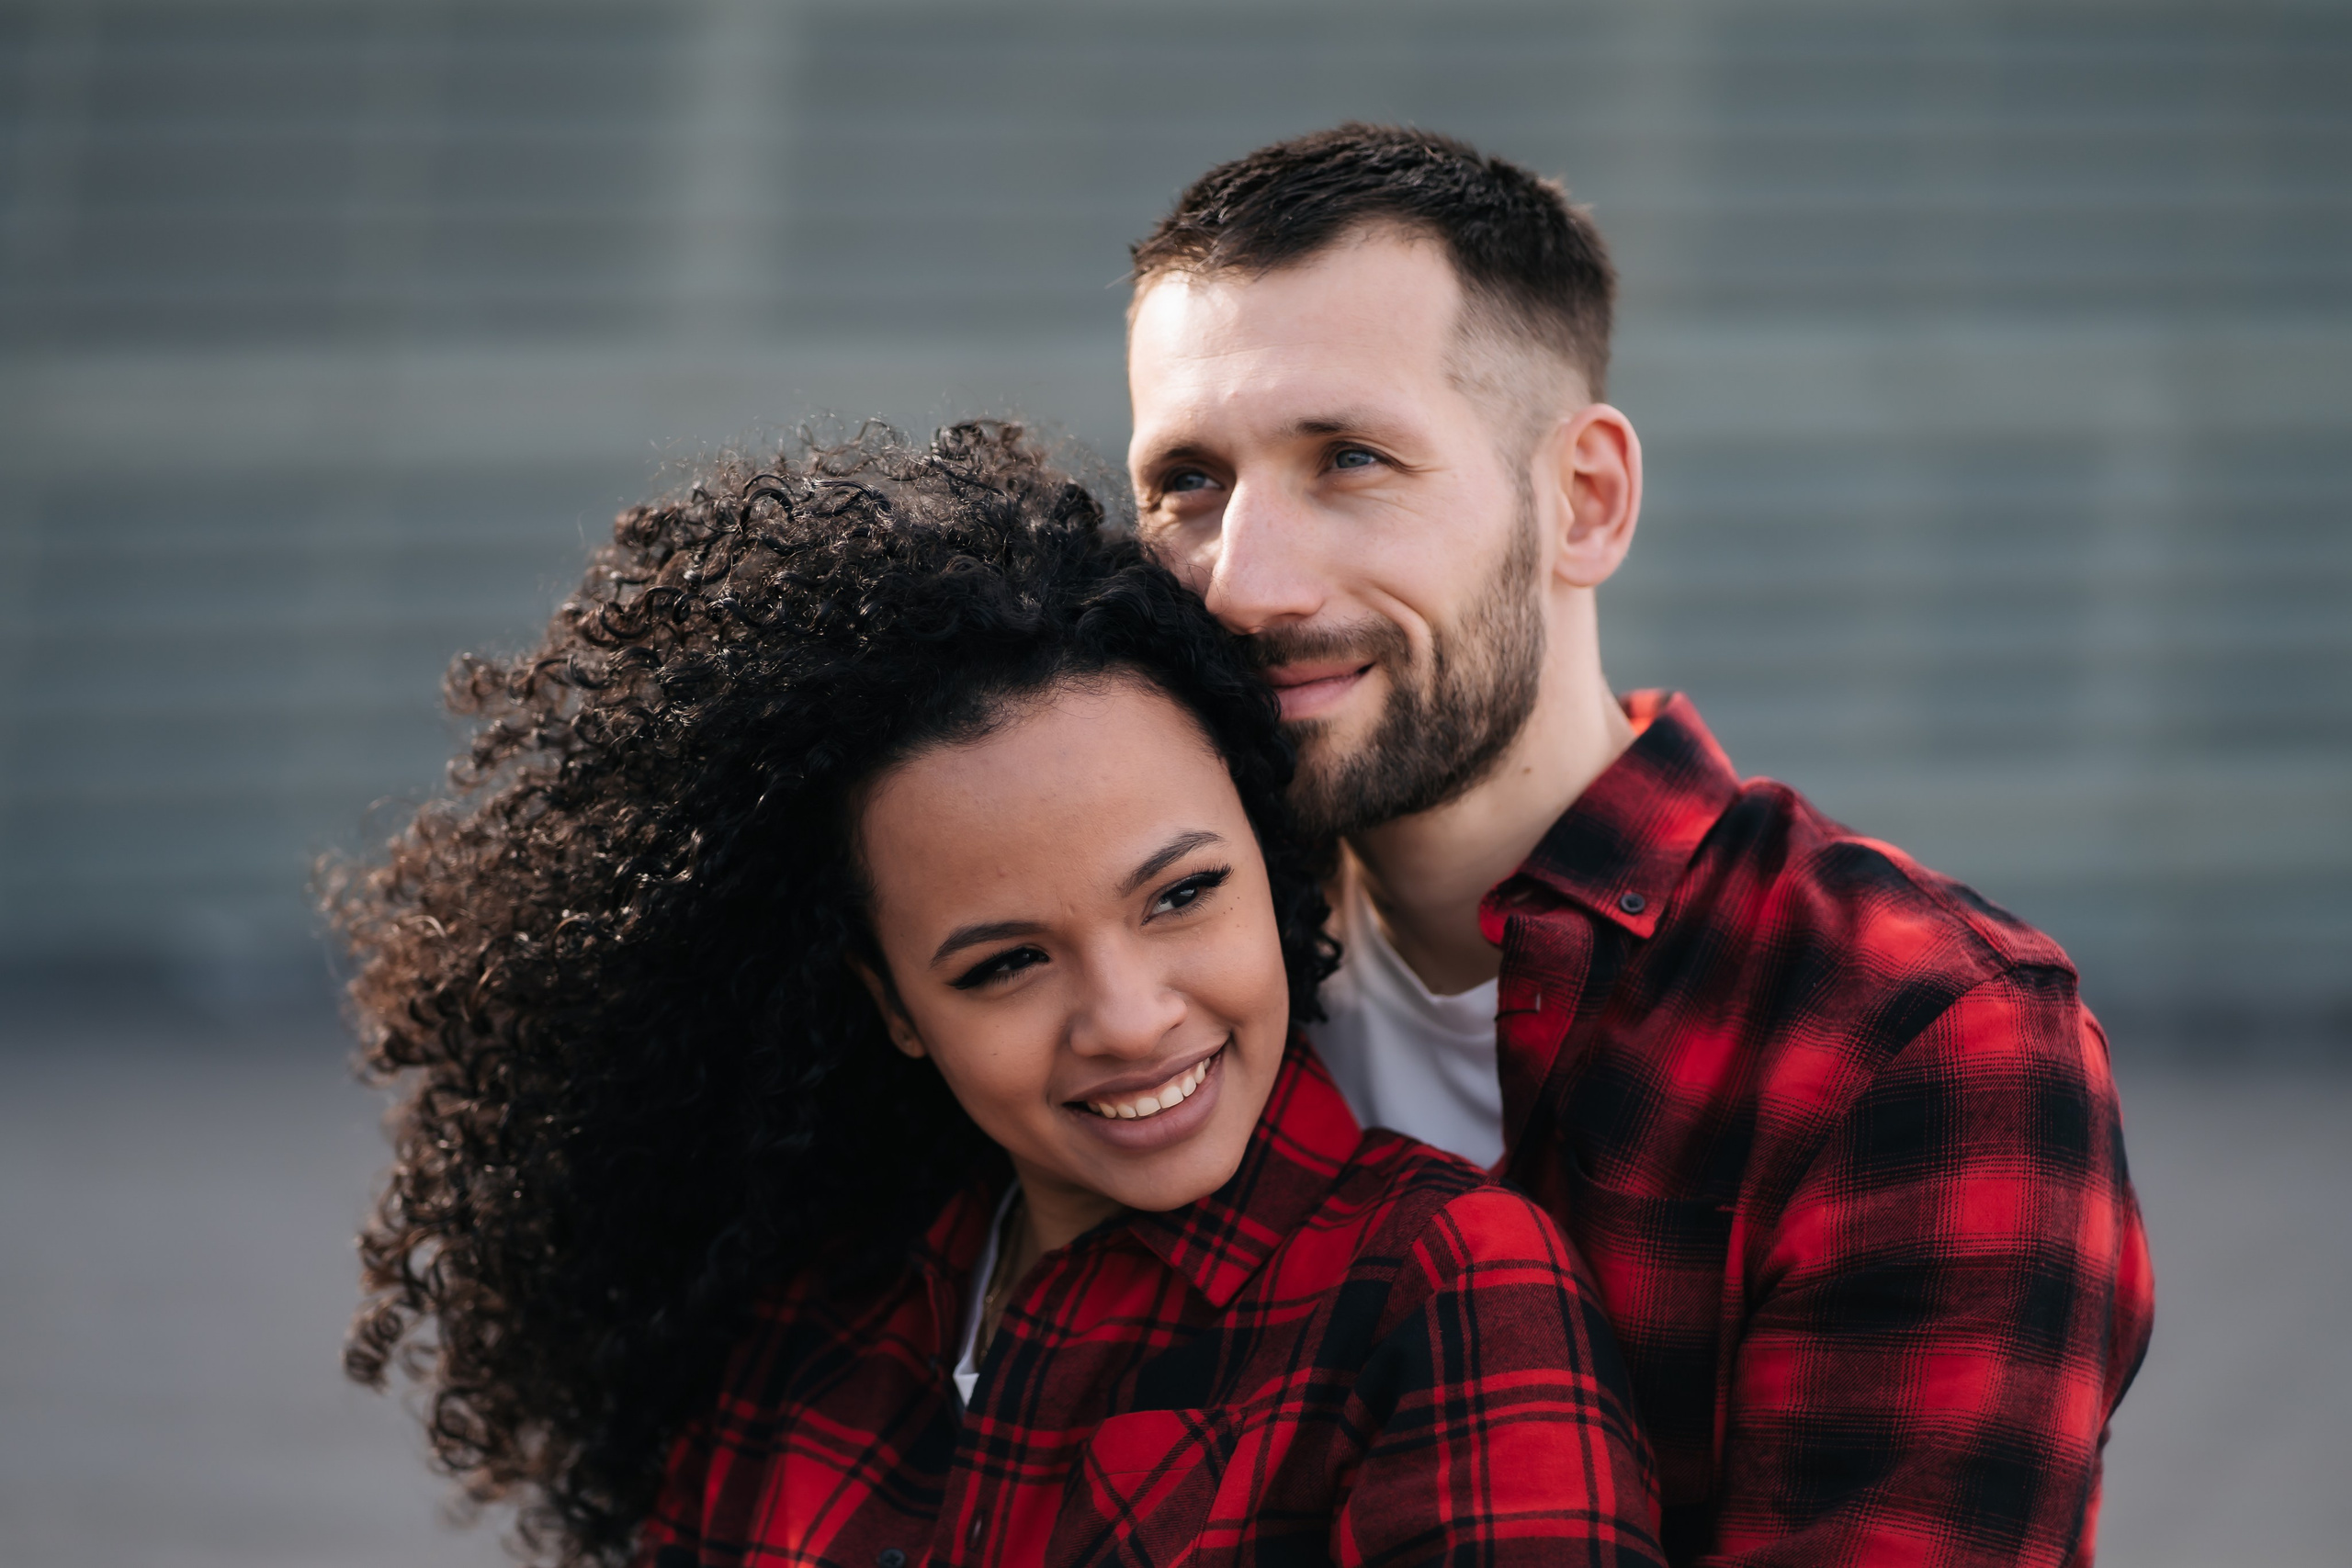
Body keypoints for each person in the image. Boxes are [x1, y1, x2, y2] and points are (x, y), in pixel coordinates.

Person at [326, 423, 1663, 1567]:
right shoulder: (814, 1311)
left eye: (1182, 895)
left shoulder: (1439, 1289)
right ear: (894, 1002)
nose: (1130, 1017)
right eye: (1005, 963)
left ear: (1274, 866)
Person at [1123, 125, 2154, 1566]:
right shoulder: (1135, 990)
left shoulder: (1918, 1033)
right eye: (1188, 483)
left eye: (1350, 459)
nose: (1243, 582)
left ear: (1585, 500)